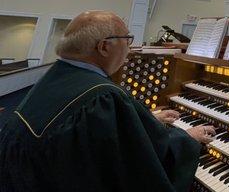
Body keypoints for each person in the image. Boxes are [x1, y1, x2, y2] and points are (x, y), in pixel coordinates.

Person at [0, 10, 215, 192]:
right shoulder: (103, 96)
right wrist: (188, 138)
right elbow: (139, 162)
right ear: (104, 47)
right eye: (127, 40)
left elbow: (102, 135)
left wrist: (150, 120)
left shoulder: (58, 75)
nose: (130, 49)